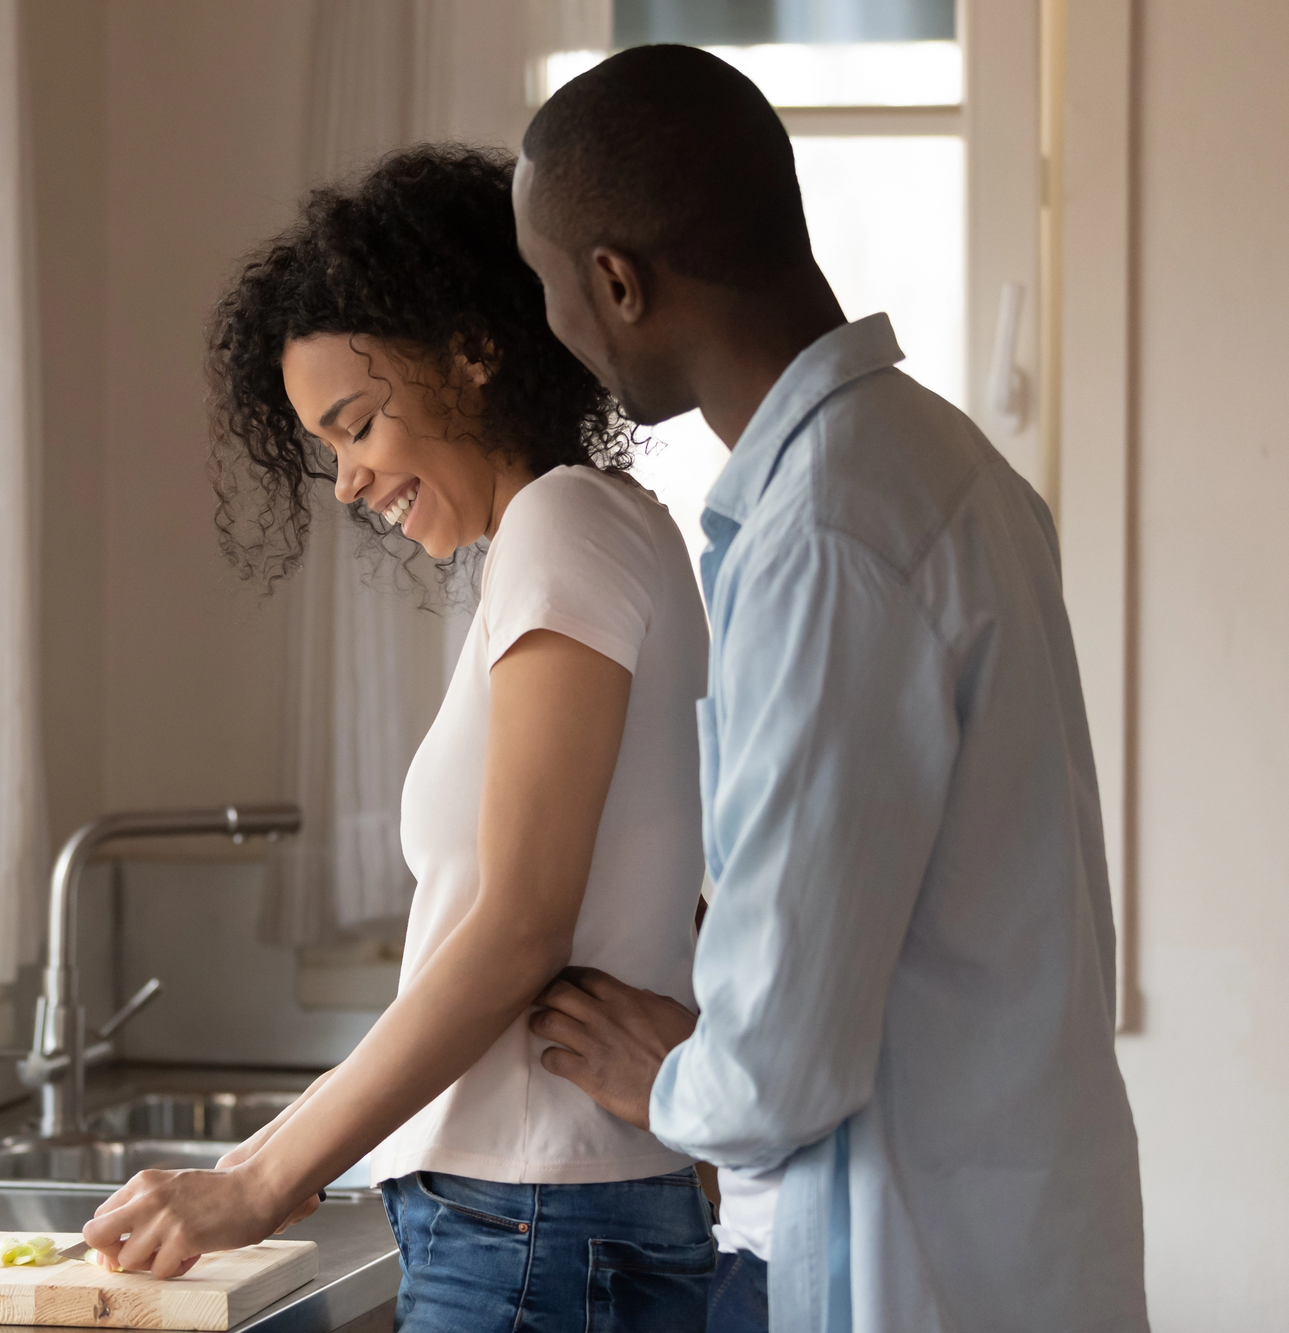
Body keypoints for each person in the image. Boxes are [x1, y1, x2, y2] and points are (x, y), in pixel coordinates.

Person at [508, 45, 1150, 1333]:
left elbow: (776, 1070)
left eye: (546, 286)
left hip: (903, 1270)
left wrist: (675, 1076)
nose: (548, 325)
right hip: (1014, 1245)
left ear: (616, 282)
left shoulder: (826, 537)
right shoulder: (940, 466)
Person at [81, 145, 717, 1330]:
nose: (344, 481)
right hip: (542, 1219)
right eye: (322, 445)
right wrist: (249, 1168)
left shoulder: (561, 526)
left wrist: (258, 1185)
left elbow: (517, 927)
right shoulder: (601, 529)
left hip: (533, 1227)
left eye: (356, 422)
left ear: (473, 354)